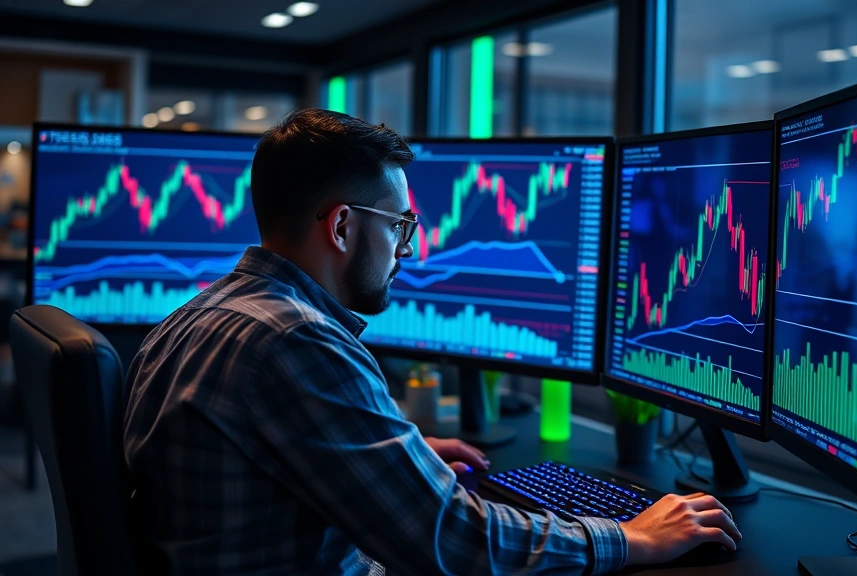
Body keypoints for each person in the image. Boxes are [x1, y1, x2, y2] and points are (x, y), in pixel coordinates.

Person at [123, 109, 742, 575]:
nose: (407, 250)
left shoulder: (195, 315)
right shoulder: (297, 340)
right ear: (342, 226)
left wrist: (395, 456)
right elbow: (454, 541)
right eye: (400, 226)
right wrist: (633, 537)